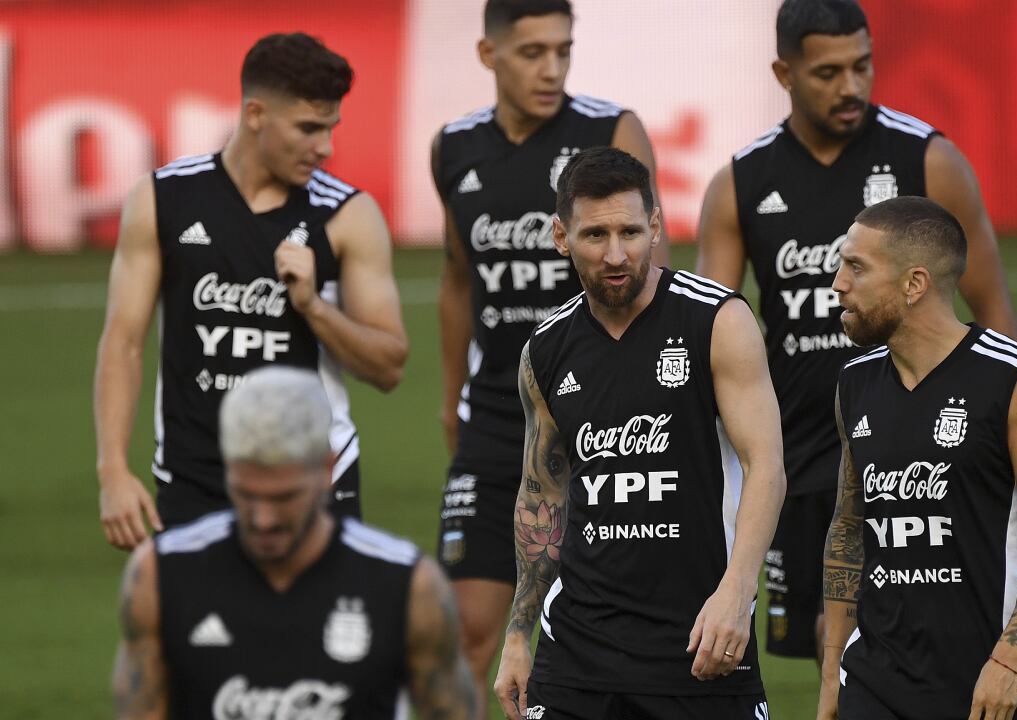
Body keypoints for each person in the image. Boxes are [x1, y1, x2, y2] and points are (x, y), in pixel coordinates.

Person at [694, 0, 1017, 666]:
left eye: (862, 66)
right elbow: (714, 330)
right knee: (833, 648)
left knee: (909, 629)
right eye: (828, 72)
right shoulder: (741, 184)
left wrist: (1004, 434)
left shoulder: (928, 161)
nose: (850, 86)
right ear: (784, 73)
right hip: (802, 453)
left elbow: (993, 310)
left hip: (917, 437)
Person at [431, 0, 668, 707]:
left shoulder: (611, 129)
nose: (552, 68)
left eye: (563, 50)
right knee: (471, 631)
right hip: (496, 421)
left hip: (600, 414)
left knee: (606, 632)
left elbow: (654, 267)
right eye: (532, 52)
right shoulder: (453, 146)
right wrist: (452, 400)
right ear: (488, 55)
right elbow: (454, 277)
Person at [491, 147, 784, 720]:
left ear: (656, 226)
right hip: (576, 651)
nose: (616, 254)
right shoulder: (546, 351)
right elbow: (541, 496)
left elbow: (766, 466)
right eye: (595, 235)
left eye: (631, 230)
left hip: (701, 643)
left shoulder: (716, 320)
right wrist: (519, 634)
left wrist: (738, 591)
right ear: (560, 237)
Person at [94, 32, 408, 546]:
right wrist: (112, 473)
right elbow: (123, 341)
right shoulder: (163, 199)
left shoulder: (348, 215)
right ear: (256, 114)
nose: (324, 148)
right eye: (308, 128)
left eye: (331, 128)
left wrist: (312, 306)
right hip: (192, 477)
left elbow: (389, 366)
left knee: (311, 629)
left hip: (314, 476)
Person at [818, 196, 1017, 719]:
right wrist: (831, 679)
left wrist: (1009, 660)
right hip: (878, 675)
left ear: (915, 284)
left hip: (1000, 676)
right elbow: (849, 528)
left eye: (856, 267)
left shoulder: (1016, 381)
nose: (837, 283)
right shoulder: (855, 382)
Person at [111, 366, 474, 719]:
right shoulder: (162, 578)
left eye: (285, 497)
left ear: (328, 471)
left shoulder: (407, 587)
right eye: (246, 494)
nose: (263, 519)